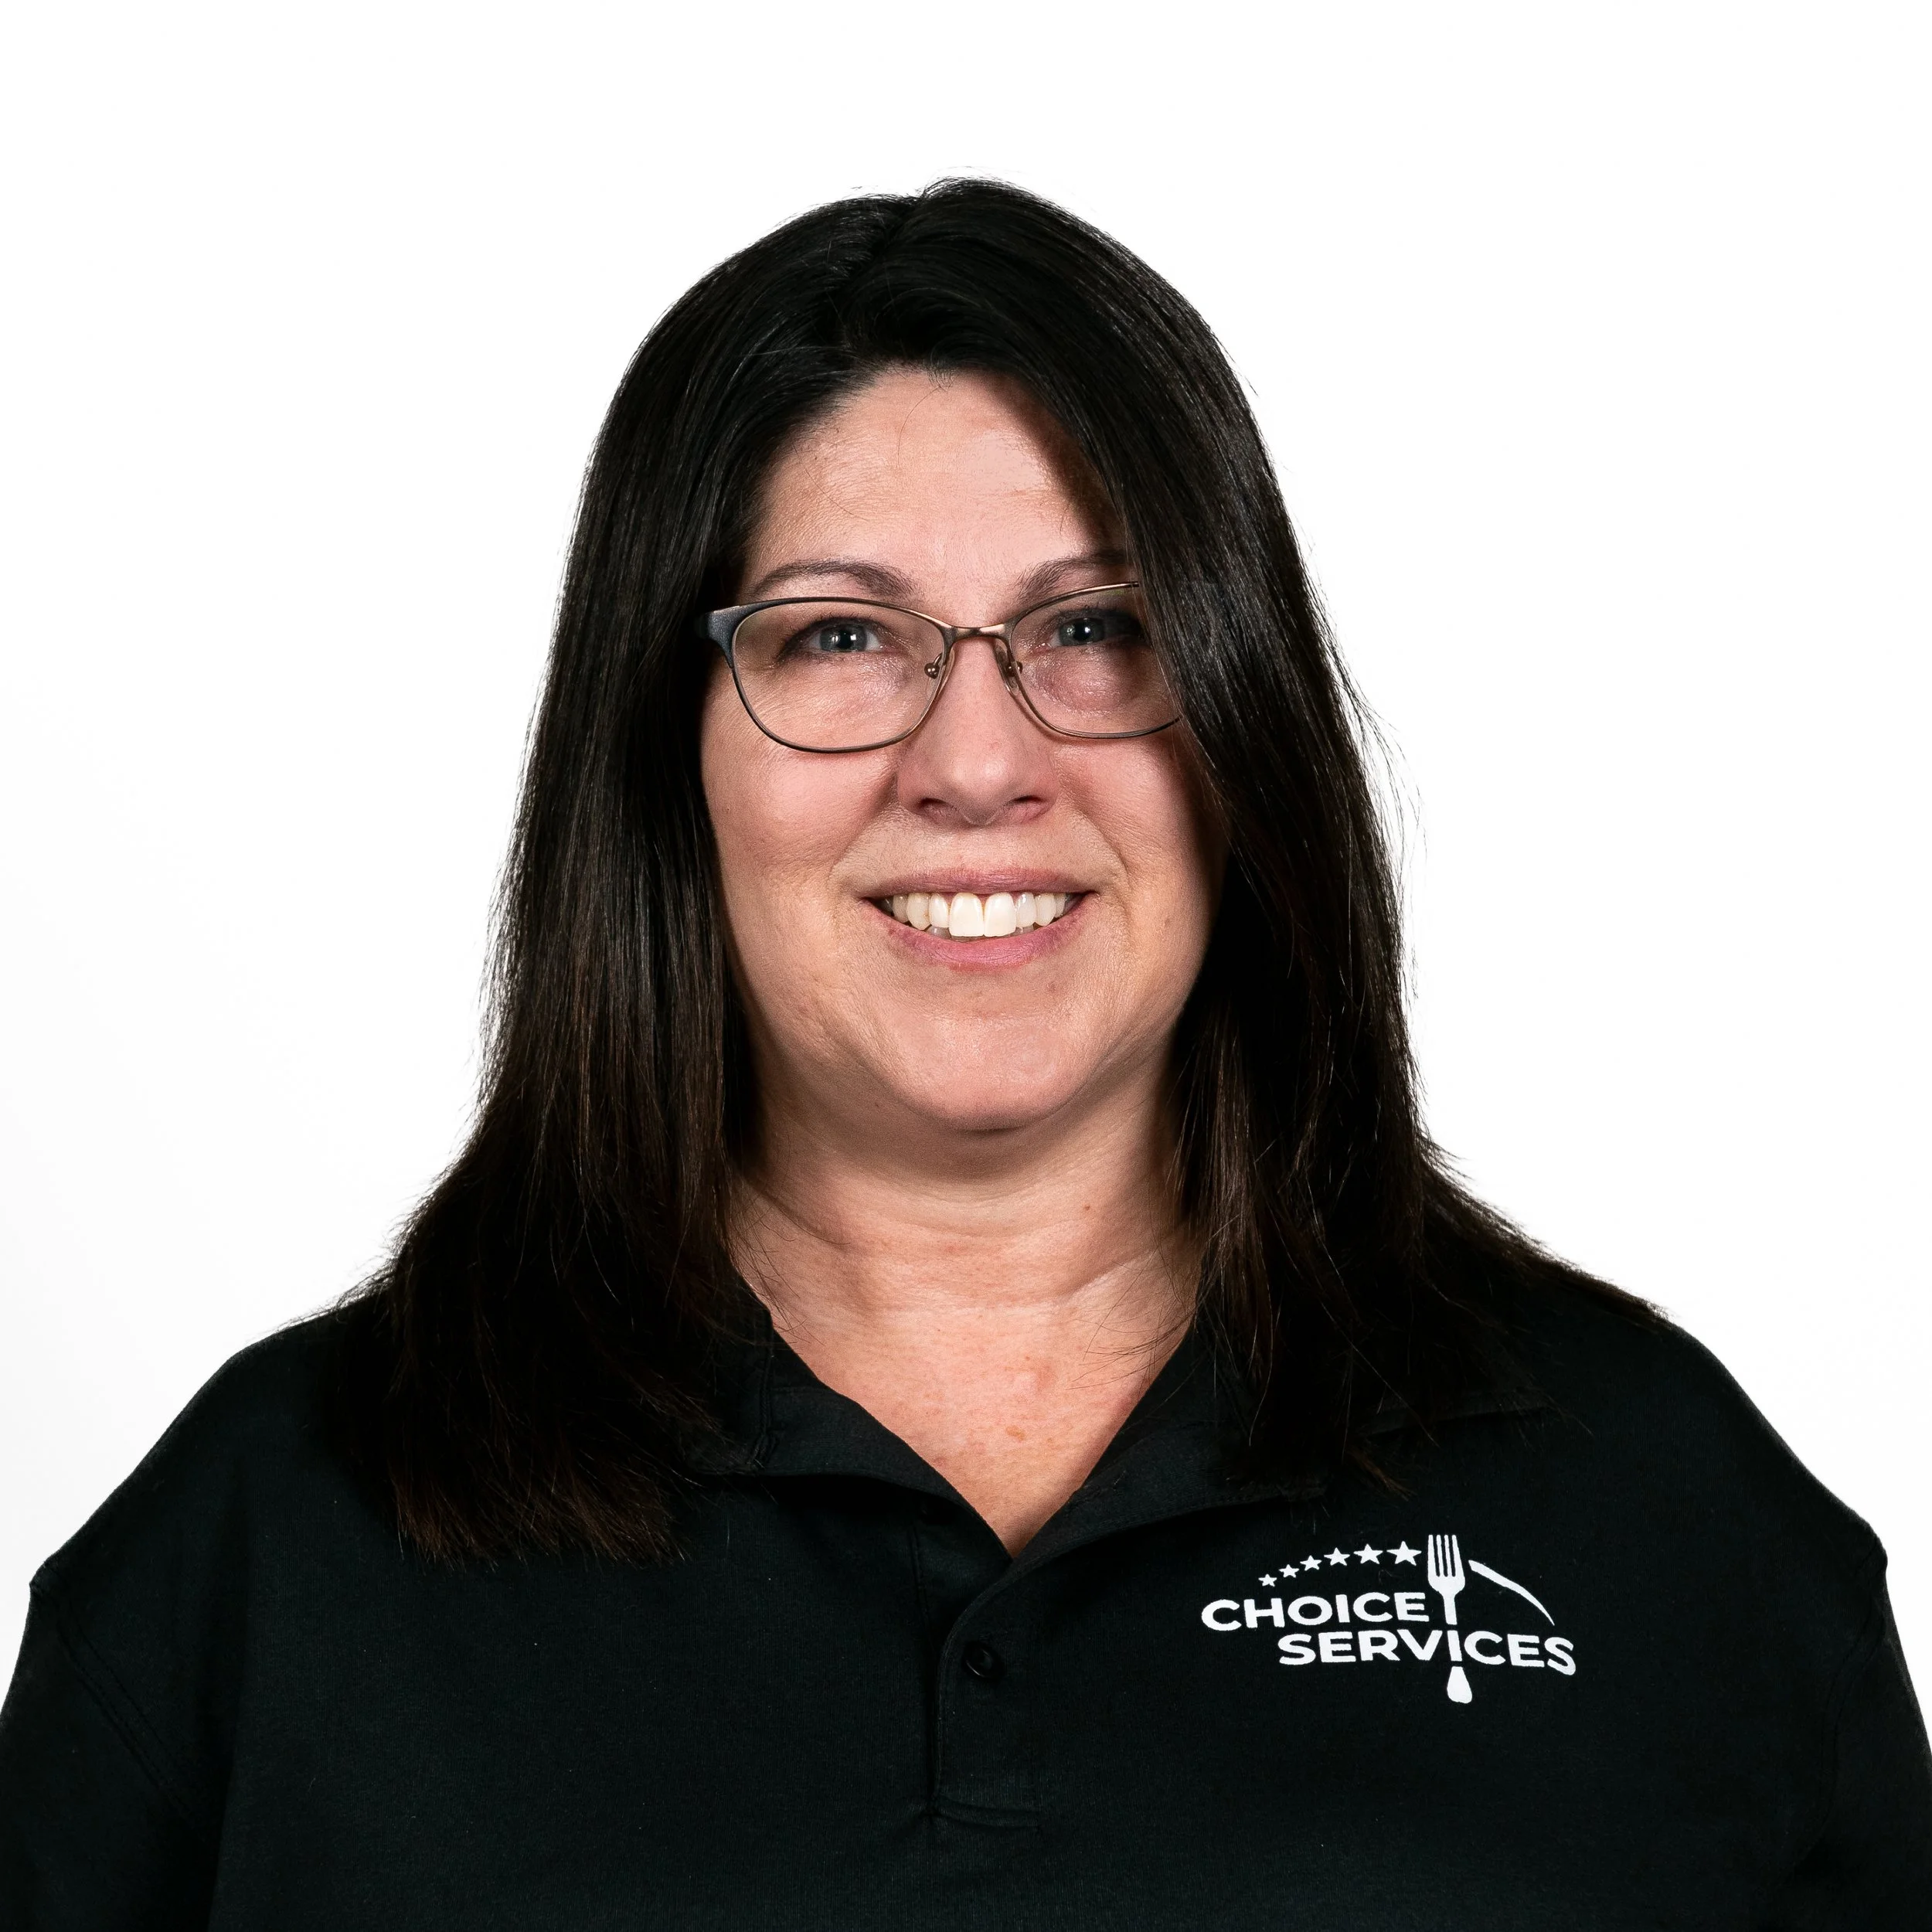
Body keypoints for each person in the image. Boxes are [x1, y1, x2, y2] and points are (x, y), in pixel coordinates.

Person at [2, 179, 1927, 1929]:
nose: (979, 761)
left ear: (1243, 722)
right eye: (842, 639)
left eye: (1092, 625)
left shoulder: (1660, 1504)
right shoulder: (274, 1538)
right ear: (664, 751)